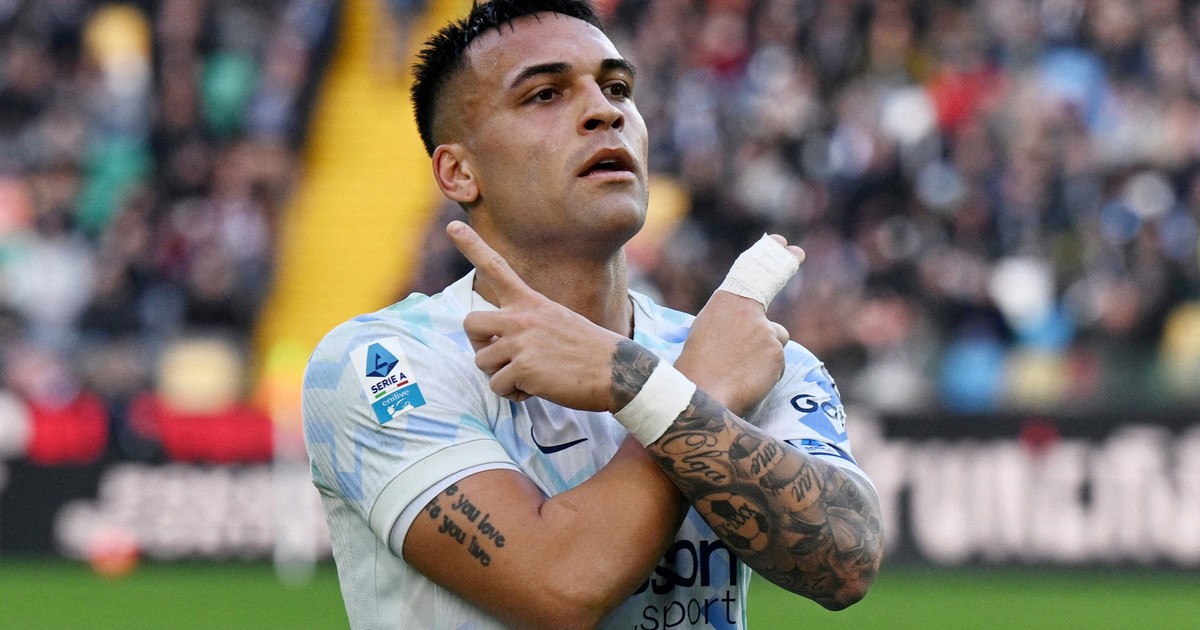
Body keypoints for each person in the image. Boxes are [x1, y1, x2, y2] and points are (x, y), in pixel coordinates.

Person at [301, 0, 883, 627]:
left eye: (617, 88)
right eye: (545, 94)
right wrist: (686, 390)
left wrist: (636, 379)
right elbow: (563, 585)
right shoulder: (383, 363)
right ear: (459, 172)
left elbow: (845, 563)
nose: (606, 111)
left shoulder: (745, 349)